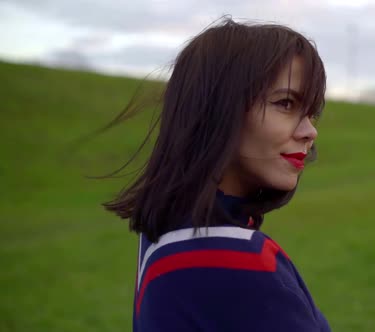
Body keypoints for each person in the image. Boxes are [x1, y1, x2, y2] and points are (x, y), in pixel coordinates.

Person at [103, 17, 330, 331]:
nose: (309, 132)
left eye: (311, 113)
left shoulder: (169, 231)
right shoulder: (229, 258)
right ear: (218, 108)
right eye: (285, 103)